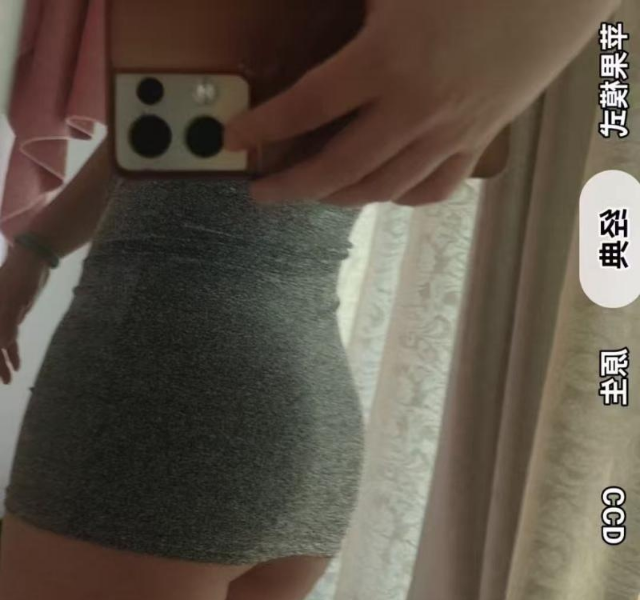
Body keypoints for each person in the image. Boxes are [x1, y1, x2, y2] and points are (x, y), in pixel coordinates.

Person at [0, 0, 623, 598]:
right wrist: (35, 252)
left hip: (158, 402)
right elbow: (170, 124)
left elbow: (177, 117)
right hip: (310, 425)